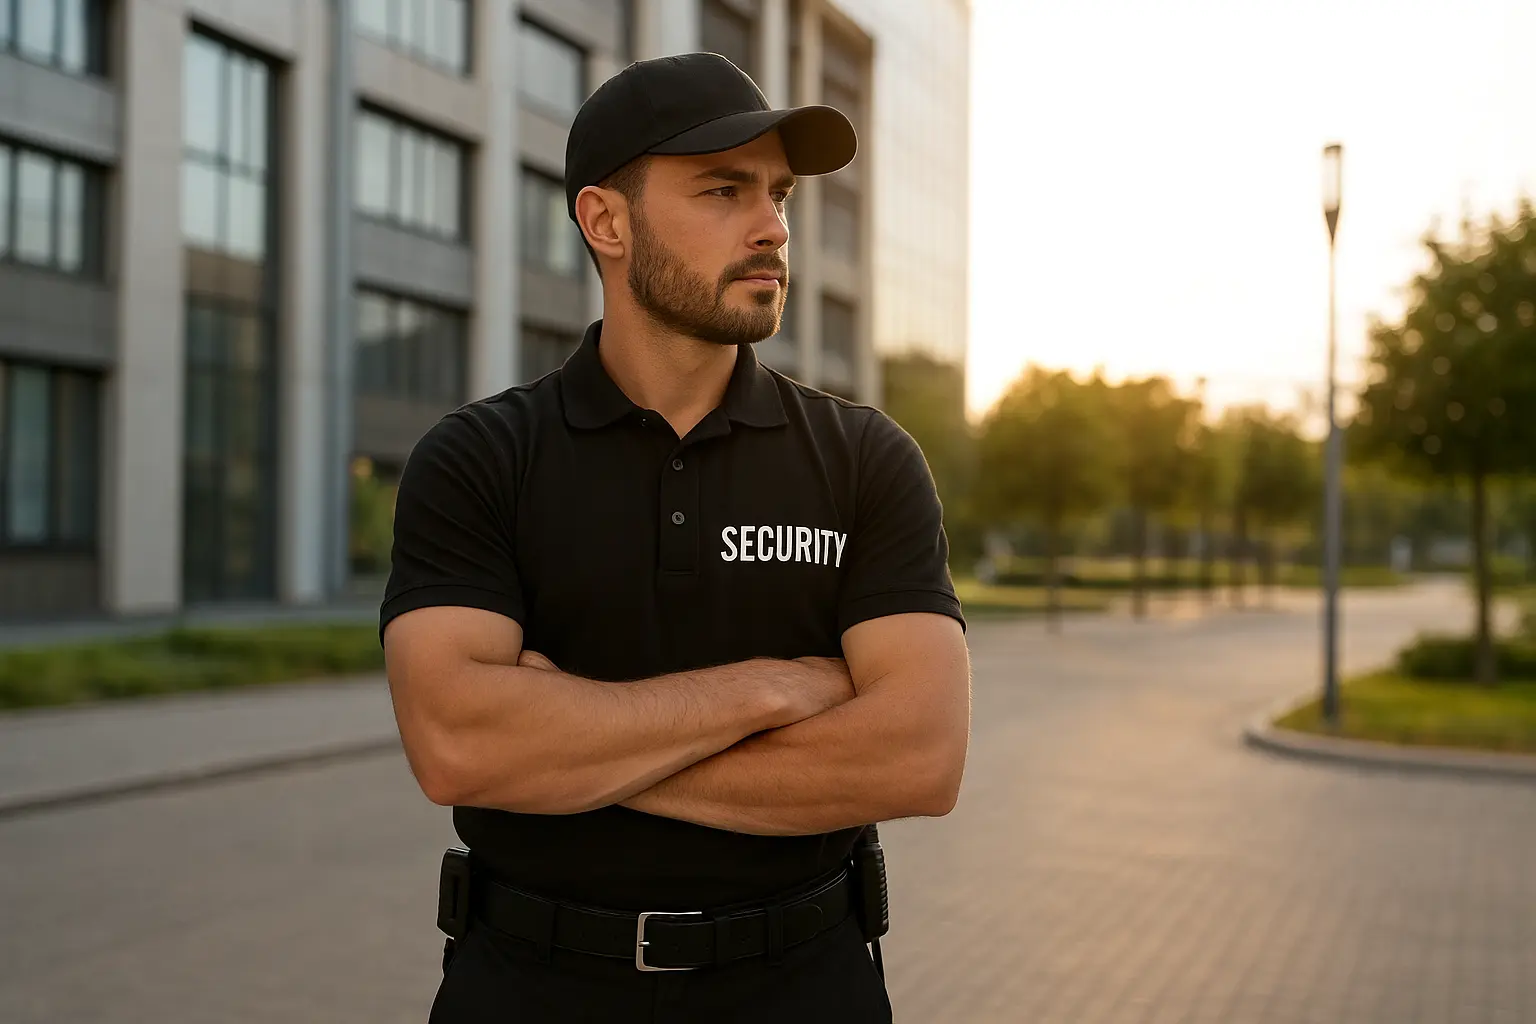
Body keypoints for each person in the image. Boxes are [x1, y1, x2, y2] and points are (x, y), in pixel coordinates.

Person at [380, 51, 971, 1023]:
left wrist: (572, 744)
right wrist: (770, 689)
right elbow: (457, 744)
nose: (773, 227)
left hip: (805, 984)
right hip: (531, 987)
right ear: (606, 221)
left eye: (778, 194)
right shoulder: (481, 458)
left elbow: (918, 757)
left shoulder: (866, 458)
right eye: (723, 189)